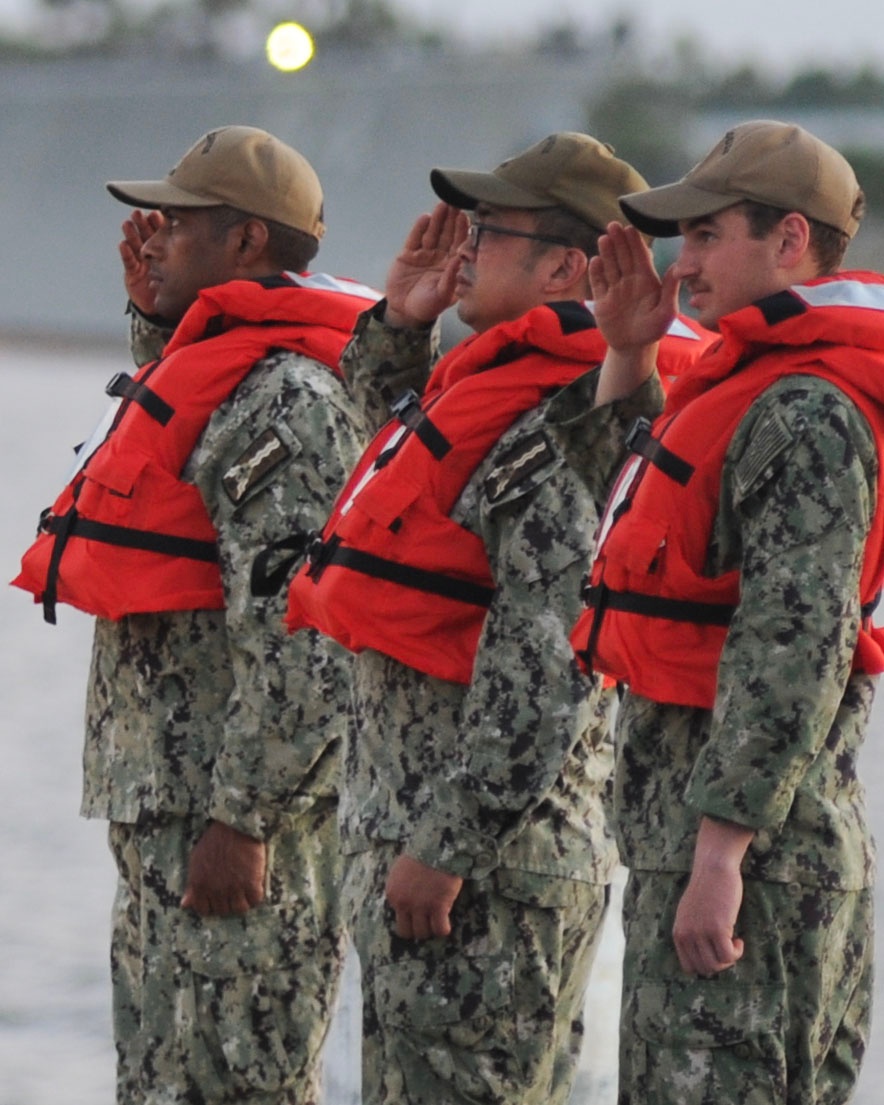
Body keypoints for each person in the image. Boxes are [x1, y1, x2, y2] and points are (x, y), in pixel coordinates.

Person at [285, 131, 711, 1105]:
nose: (462, 246)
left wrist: (448, 837)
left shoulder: (564, 414)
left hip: (486, 866)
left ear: (567, 266)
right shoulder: (491, 381)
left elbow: (543, 647)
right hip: (433, 843)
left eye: (488, 230)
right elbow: (373, 471)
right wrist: (398, 322)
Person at [12, 125, 378, 1105]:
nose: (151, 240)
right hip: (169, 824)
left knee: (242, 1088)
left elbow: (306, 644)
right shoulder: (210, 373)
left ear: (247, 243)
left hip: (233, 840)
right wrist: (154, 322)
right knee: (160, 1086)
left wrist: (242, 821)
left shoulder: (287, 405)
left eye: (174, 225)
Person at [566, 119, 884, 1104]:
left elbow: (793, 644)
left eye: (706, 236)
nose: (682, 262)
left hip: (756, 861)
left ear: (788, 241)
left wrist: (718, 853)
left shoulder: (805, 410)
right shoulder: (743, 381)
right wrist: (626, 355)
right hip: (704, 842)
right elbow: (622, 526)